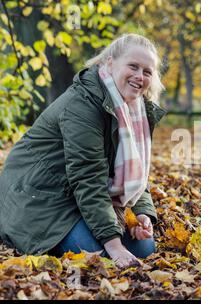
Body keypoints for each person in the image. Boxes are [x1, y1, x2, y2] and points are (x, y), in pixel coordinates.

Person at [0, 33, 167, 268]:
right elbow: (88, 176)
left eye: (147, 71)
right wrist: (114, 244)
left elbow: (137, 170)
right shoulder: (83, 105)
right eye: (133, 66)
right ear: (110, 63)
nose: (139, 76)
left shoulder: (134, 108)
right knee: (105, 256)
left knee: (144, 248)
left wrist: (142, 214)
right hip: (40, 196)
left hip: (74, 194)